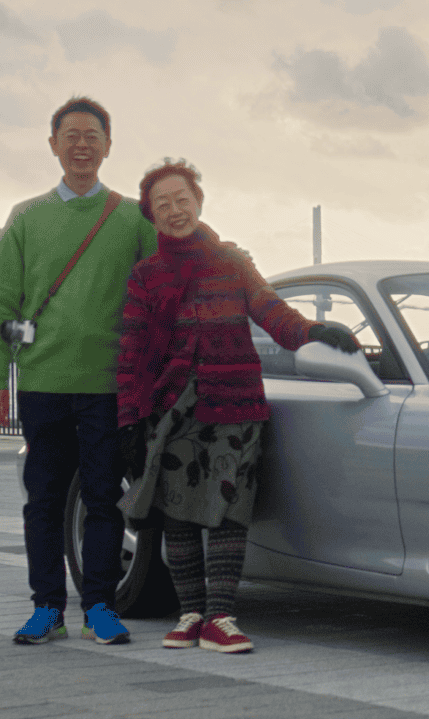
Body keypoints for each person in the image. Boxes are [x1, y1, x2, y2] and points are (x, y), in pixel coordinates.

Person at [116, 158, 358, 653]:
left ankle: (221, 618)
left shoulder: (233, 262)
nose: (175, 210)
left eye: (182, 199)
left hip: (235, 403)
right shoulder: (146, 276)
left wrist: (314, 332)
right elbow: (132, 353)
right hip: (173, 408)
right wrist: (129, 421)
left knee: (230, 511)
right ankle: (189, 615)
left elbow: (273, 311)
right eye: (162, 205)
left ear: (199, 202)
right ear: (152, 217)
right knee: (179, 516)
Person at [0, 97, 157, 645]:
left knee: (103, 497)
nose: (82, 144)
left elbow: (164, 279)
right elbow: (3, 302)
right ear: (53, 144)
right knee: (45, 500)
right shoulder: (27, 217)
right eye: (72, 135)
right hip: (42, 383)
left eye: (93, 135)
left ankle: (100, 607)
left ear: (109, 145)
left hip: (108, 387)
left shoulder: (132, 217)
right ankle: (46, 609)